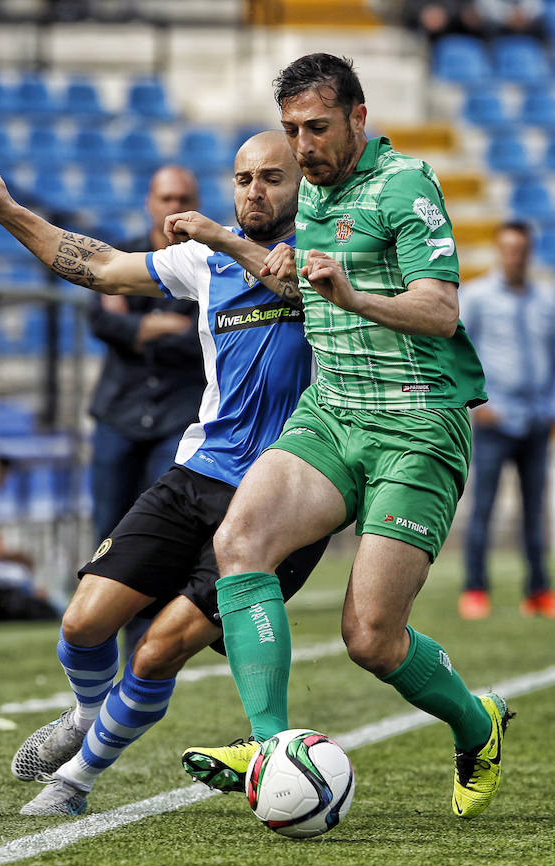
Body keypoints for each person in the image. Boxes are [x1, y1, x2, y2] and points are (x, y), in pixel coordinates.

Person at [181, 52, 512, 821]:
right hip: (332, 415)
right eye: (293, 129)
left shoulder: (406, 187)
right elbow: (296, 273)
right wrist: (239, 248)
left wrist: (352, 294)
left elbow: (440, 312)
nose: (303, 146)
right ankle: (269, 744)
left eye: (318, 128)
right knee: (241, 542)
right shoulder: (310, 196)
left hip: (416, 426)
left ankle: (477, 723)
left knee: (369, 637)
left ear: (359, 119)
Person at [0, 131, 328, 816]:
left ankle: (75, 781)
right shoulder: (203, 263)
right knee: (82, 624)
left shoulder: (327, 256)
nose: (255, 190)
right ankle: (83, 716)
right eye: (244, 177)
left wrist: (220, 236)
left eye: (272, 178)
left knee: (159, 650)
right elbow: (97, 265)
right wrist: (9, 211)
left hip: (284, 496)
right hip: (196, 474)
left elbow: (299, 287)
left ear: (302, 184)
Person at [88, 165, 205, 543]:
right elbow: (100, 322)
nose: (174, 207)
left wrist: (135, 328)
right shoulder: (120, 257)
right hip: (118, 411)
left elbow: (203, 339)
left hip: (178, 416)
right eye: (166, 198)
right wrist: (164, 326)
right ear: (149, 203)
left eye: (183, 199)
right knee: (106, 528)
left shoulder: (210, 265)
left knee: (163, 526)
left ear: (196, 205)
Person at [458, 222, 555, 619]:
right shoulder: (478, 297)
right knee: (484, 508)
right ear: (500, 252)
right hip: (495, 420)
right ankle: (476, 590)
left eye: (522, 250)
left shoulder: (546, 301)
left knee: (535, 511)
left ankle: (538, 591)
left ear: (529, 252)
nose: (516, 257)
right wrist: (479, 406)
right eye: (509, 250)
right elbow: (458, 351)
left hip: (536, 419)